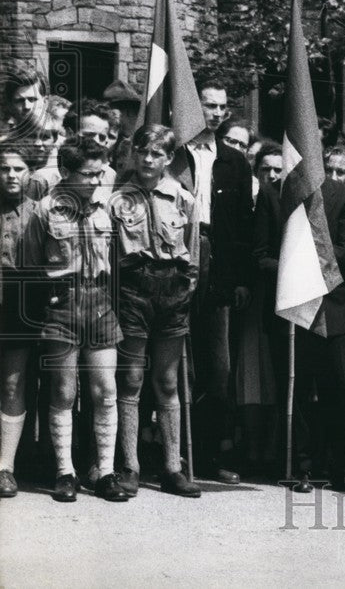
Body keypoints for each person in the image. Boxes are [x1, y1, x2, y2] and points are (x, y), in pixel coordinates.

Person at [21, 137, 128, 502]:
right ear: (66, 172)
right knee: (64, 391)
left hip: (99, 302)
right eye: (89, 174)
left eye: (100, 173)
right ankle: (65, 472)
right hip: (61, 305)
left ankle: (106, 472)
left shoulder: (105, 208)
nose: (97, 181)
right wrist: (48, 300)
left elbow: (114, 261)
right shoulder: (44, 210)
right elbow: (31, 265)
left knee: (106, 390)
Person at [109, 125, 201, 497]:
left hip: (172, 291)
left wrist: (186, 287)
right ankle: (130, 465)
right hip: (133, 290)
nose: (148, 159)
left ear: (168, 158)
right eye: (143, 151)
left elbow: (193, 252)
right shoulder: (117, 198)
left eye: (157, 154)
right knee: (131, 378)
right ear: (134, 152)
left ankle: (172, 467)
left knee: (167, 382)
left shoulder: (182, 198)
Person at [177, 82, 253, 483]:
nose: (217, 113)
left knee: (217, 368)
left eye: (223, 107)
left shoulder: (234, 161)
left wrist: (239, 279)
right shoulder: (174, 155)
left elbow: (242, 225)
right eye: (209, 105)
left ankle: (206, 455)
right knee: (174, 362)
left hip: (218, 268)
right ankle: (169, 455)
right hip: (176, 263)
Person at [280, 172, 345, 494]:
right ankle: (301, 467)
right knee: (298, 387)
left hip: (332, 305)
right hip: (292, 303)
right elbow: (261, 252)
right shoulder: (280, 191)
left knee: (339, 388)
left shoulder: (344, 196)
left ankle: (344, 469)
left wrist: (310, 251)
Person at [0, 145, 38, 497]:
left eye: (18, 168)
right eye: (4, 168)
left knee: (13, 383)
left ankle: (5, 467)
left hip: (19, 304)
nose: (11, 175)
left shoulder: (39, 213)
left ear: (30, 172)